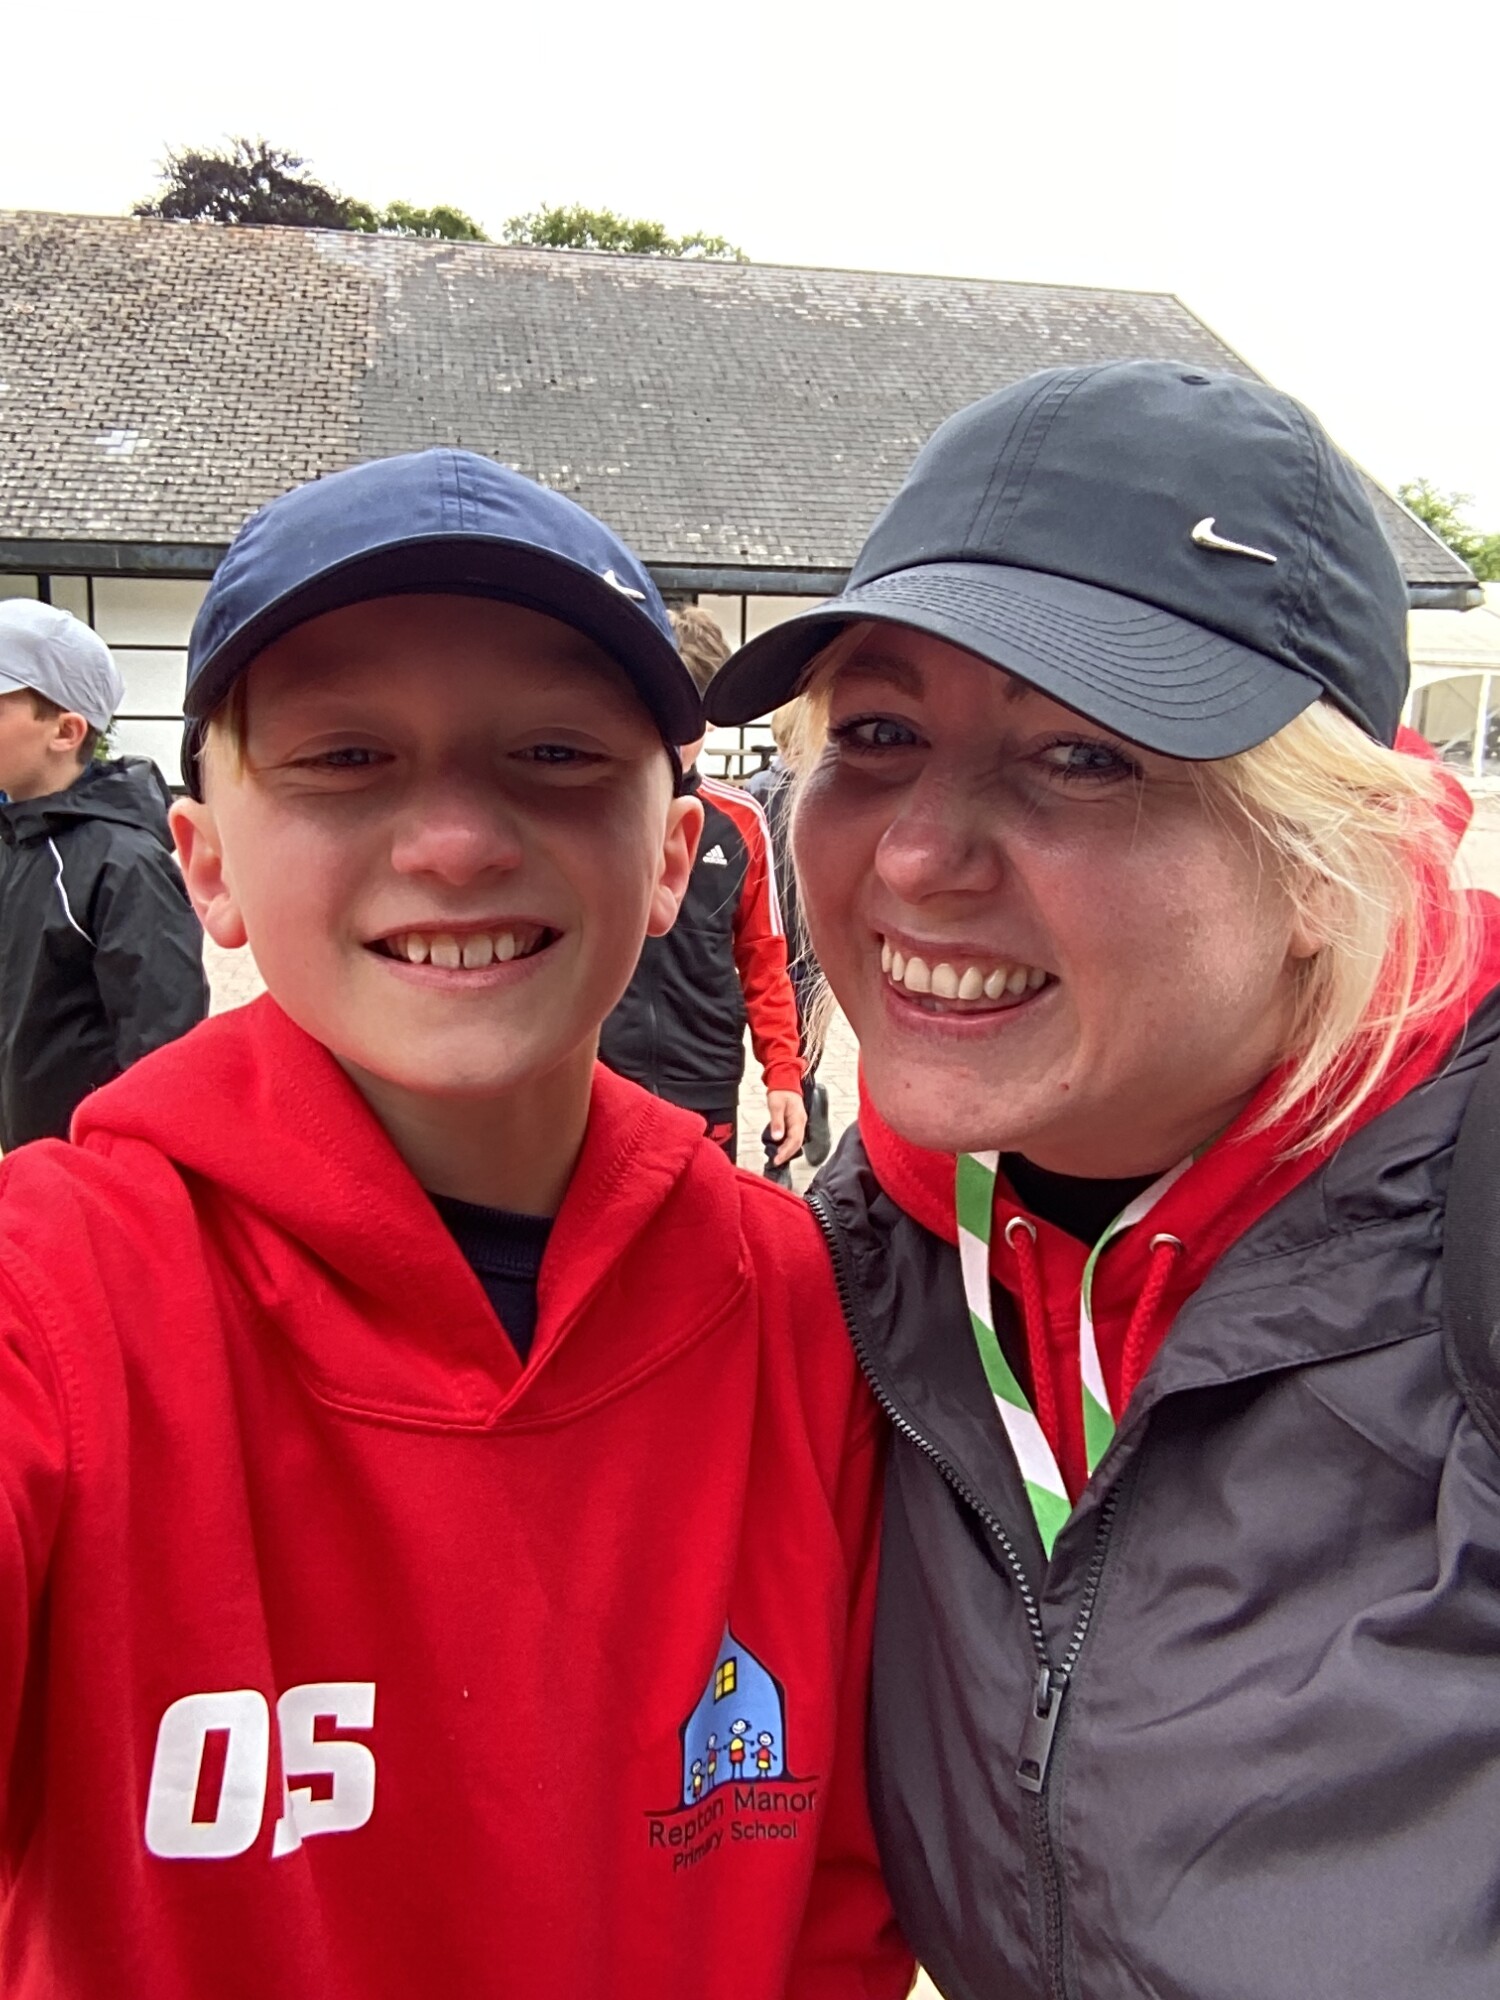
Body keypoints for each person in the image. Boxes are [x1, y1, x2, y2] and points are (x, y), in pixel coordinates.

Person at [0, 451, 910, 2000]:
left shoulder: (795, 1308)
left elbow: (841, 1895)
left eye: (554, 751)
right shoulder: (59, 1299)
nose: (456, 843)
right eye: (346, 756)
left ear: (673, 856)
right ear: (207, 867)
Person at [706, 360, 1500, 1999]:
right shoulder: (866, 1265)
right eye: (878, 732)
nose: (918, 855)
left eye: (1082, 756)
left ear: (1327, 865)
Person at [599, 603, 807, 1171]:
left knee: (699, 1217)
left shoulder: (741, 819)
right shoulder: (592, 809)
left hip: (705, 1075)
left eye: (689, 719)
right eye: (660, 712)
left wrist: (783, 1074)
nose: (673, 736)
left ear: (711, 720)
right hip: (598, 1076)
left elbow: (764, 957)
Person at [0, 598, 207, 1148]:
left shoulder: (123, 863)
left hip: (91, 1166)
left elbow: (164, 1047)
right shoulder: (15, 842)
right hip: (29, 1155)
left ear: (66, 731)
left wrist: (117, 1165)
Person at [746, 698, 833, 1171]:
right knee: (784, 1039)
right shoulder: (760, 790)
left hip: (805, 939)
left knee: (795, 1044)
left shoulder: (820, 788)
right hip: (776, 933)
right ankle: (809, 1099)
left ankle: (779, 1153)